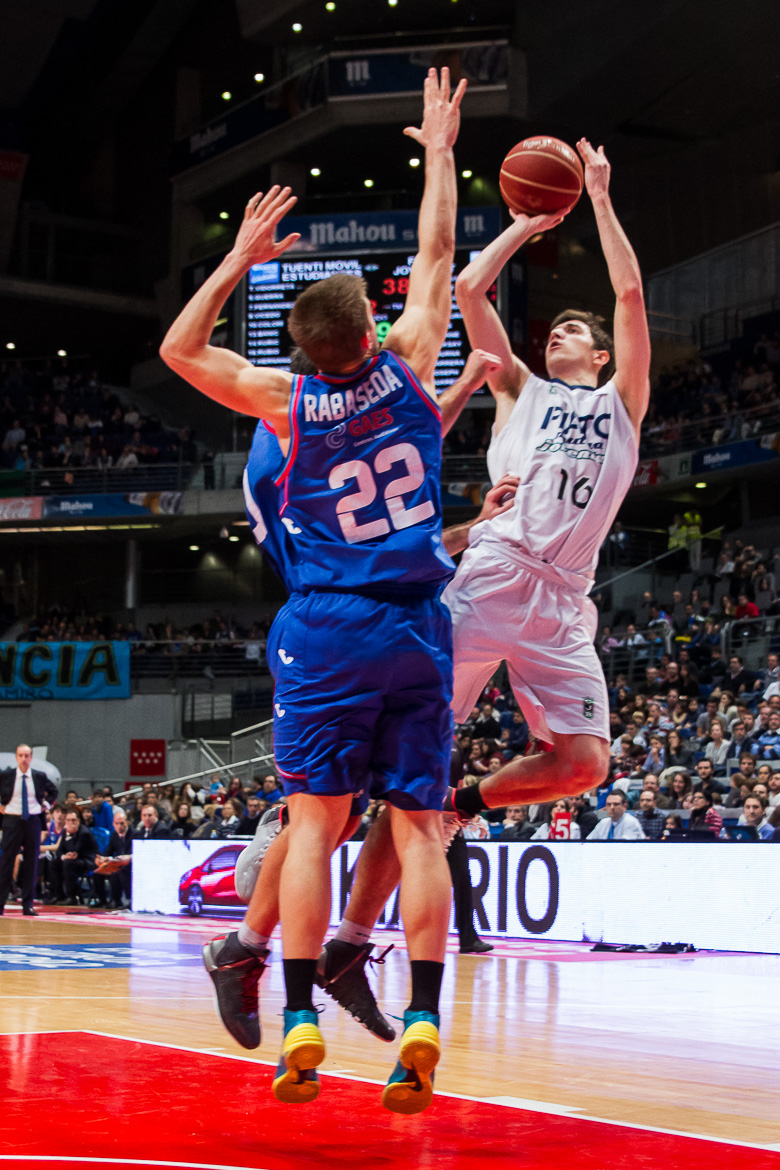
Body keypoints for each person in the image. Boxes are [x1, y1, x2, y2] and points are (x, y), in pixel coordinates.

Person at [162, 68, 468, 1113]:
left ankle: (298, 1015)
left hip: (328, 626)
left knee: (316, 823)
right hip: (418, 621)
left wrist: (238, 258)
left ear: (304, 350)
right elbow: (437, 254)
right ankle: (424, 1015)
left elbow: (177, 349)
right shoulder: (413, 363)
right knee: (419, 827)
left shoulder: (281, 410)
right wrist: (439, 150)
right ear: (373, 331)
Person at [443, 137, 651, 824]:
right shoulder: (518, 388)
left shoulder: (622, 404)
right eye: (552, 330)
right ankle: (322, 828)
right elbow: (469, 289)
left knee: (585, 765)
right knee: (411, 725)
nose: (557, 334)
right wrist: (527, 224)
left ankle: (461, 805)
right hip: (493, 576)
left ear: (602, 355)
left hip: (563, 600)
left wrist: (599, 197)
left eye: (573, 331)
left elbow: (629, 293)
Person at [0, 744, 59, 916]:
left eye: (27, 756)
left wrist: (46, 804)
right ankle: (0, 903)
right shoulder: (6, 775)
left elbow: (53, 791)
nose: (24, 759)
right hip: (12, 819)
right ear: (16, 757)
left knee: (31, 863)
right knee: (6, 863)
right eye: (21, 755)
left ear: (31, 757)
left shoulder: (39, 776)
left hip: (33, 820)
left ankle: (28, 905)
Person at [52, 809, 97, 904]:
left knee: (68, 864)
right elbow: (59, 850)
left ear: (78, 821)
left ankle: (72, 897)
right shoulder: (65, 832)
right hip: (74, 860)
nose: (71, 823)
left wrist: (69, 836)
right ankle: (59, 895)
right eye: (68, 820)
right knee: (54, 863)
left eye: (73, 820)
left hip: (87, 860)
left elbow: (75, 850)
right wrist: (63, 856)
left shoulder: (84, 832)